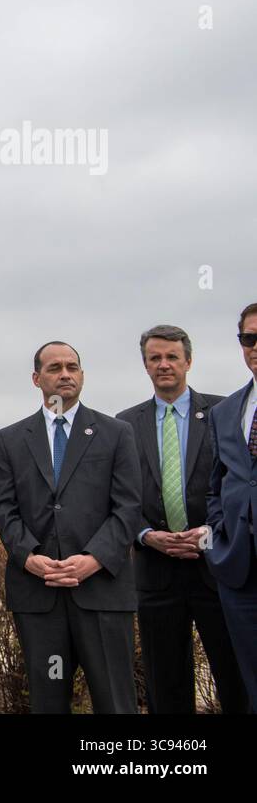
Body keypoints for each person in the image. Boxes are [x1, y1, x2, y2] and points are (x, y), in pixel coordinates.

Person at [0, 341, 141, 713]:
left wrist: (94, 559)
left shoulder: (116, 433)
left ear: (82, 375)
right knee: (48, 701)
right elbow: (4, 508)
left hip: (102, 590)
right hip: (38, 595)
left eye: (72, 367)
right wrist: (29, 557)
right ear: (36, 378)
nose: (65, 374)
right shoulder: (10, 439)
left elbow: (128, 506)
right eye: (55, 367)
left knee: (115, 701)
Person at [115, 325, 247, 713]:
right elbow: (120, 494)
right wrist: (144, 535)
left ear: (189, 361)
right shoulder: (124, 424)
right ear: (145, 366)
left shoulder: (225, 413)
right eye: (155, 358)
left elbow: (237, 484)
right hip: (155, 572)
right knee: (165, 683)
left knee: (234, 677)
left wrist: (210, 531)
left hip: (218, 565)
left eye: (172, 357)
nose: (164, 365)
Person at [205, 302, 257, 712]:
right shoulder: (225, 412)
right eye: (249, 338)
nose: (255, 346)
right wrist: (219, 531)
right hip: (239, 569)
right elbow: (216, 483)